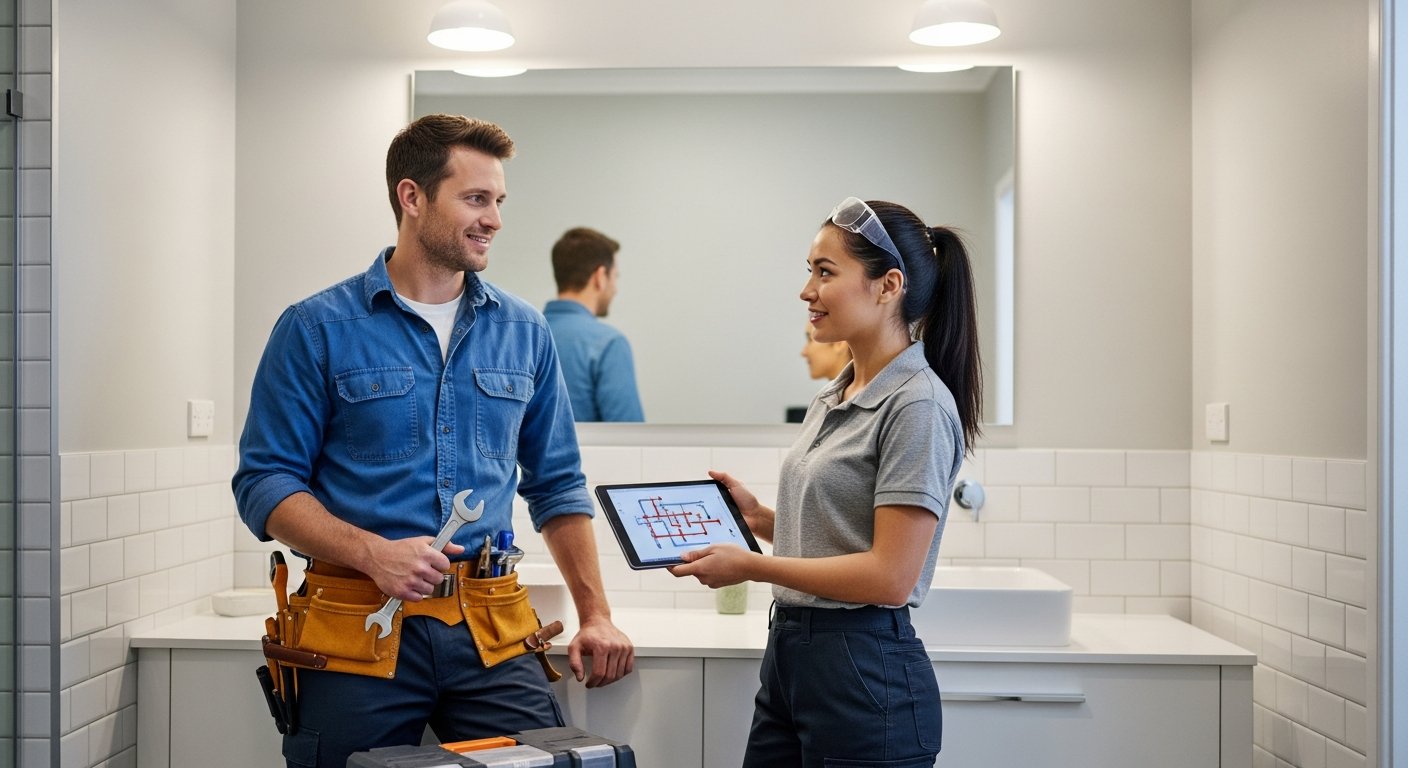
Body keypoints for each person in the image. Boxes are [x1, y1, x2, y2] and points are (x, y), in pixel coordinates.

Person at [233, 114, 634, 768]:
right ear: (412, 198)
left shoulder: (526, 332)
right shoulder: (316, 328)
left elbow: (557, 484)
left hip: (492, 629)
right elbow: (265, 484)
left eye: (499, 201)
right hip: (355, 629)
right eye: (476, 199)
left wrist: (596, 613)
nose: (495, 219)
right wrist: (372, 553)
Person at [670, 197, 983, 767]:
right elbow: (838, 532)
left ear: (888, 286)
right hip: (792, 659)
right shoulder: (834, 394)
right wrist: (757, 517)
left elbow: (889, 576)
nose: (806, 291)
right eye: (809, 272)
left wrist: (749, 566)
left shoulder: (917, 405)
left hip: (863, 673)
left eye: (824, 272)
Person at [542, 227, 645, 422]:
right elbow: (630, 437)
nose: (615, 288)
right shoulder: (608, 344)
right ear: (600, 277)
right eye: (615, 277)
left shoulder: (520, 336)